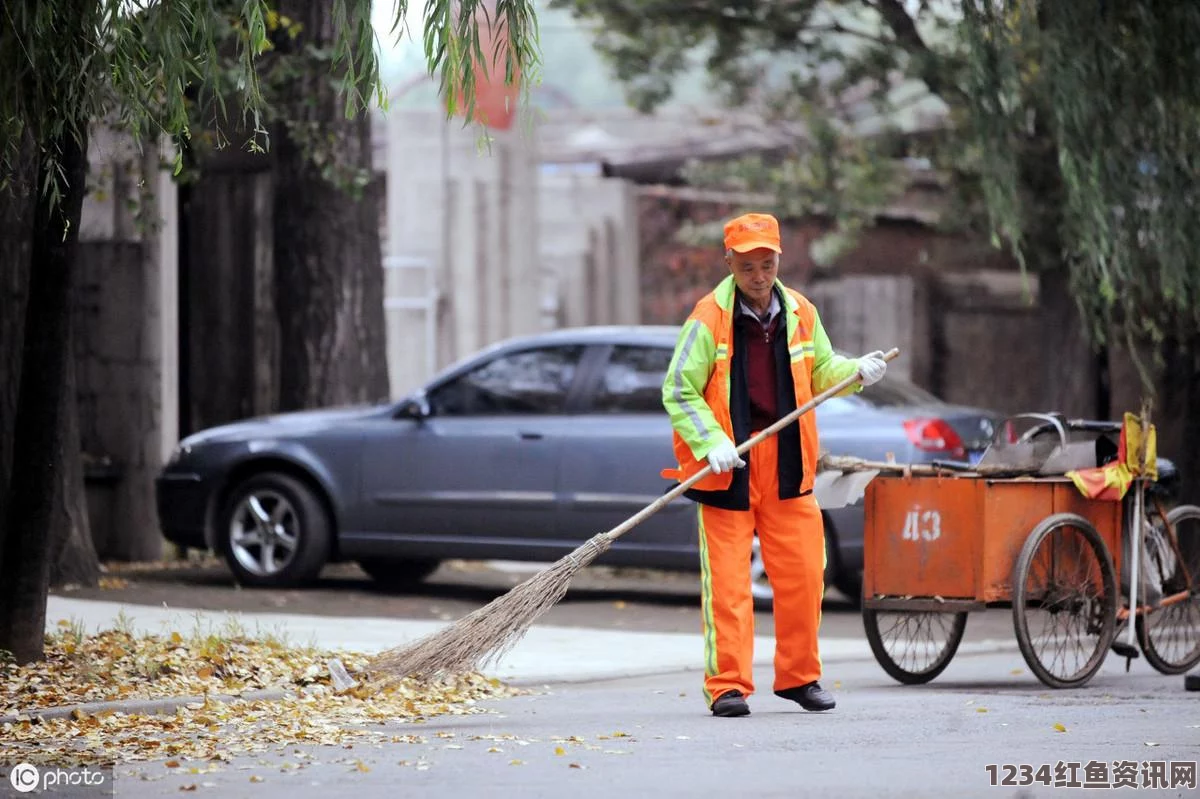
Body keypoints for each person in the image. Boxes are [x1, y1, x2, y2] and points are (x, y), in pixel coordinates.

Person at [661, 212, 887, 718]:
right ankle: (727, 686)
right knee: (728, 583)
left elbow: (822, 370)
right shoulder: (708, 318)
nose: (758, 276)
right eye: (747, 267)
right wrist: (712, 440)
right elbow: (678, 389)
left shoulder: (802, 311)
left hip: (788, 461)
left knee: (806, 574)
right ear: (729, 264)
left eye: (766, 264)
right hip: (728, 465)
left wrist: (856, 372)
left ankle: (799, 678)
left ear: (778, 260)